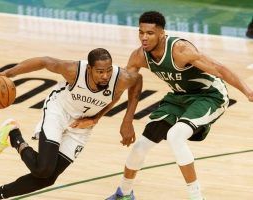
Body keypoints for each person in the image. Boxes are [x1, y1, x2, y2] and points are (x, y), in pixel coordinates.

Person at [106, 11, 253, 200]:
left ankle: (196, 197)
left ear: (161, 33)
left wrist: (248, 91)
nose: (144, 37)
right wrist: (127, 120)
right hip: (179, 97)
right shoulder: (138, 56)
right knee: (140, 146)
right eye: (141, 32)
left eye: (149, 33)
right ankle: (124, 194)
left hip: (209, 96)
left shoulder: (180, 49)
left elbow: (220, 69)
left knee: (175, 136)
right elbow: (131, 84)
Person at [0, 48, 142, 199]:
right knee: (44, 169)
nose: (106, 76)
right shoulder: (73, 70)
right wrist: (7, 73)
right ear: (89, 69)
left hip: (82, 124)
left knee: (47, 179)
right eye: (100, 72)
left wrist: (105, 119)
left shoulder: (121, 78)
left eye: (108, 71)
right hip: (59, 111)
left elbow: (137, 81)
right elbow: (44, 61)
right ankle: (13, 135)